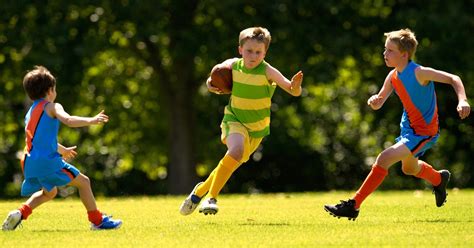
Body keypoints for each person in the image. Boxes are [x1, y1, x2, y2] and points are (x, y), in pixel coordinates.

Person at [324, 28, 471, 220]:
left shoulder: (420, 72)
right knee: (408, 169)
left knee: (384, 158)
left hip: (424, 132)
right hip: (408, 130)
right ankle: (438, 179)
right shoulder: (393, 76)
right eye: (385, 50)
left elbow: (454, 78)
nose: (385, 54)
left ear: (404, 54)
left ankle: (354, 205)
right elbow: (380, 99)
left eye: (390, 51)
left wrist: (463, 100)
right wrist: (376, 100)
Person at [179, 27, 304, 215]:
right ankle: (211, 199)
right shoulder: (233, 65)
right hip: (234, 119)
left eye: (258, 52)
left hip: (257, 130)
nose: (253, 56)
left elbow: (292, 90)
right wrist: (210, 85)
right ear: (240, 50)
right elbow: (213, 78)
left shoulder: (268, 71)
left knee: (231, 163)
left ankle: (198, 192)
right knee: (235, 151)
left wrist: (296, 86)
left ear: (265, 52)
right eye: (249, 51)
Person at [2, 66, 122, 230]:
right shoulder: (52, 106)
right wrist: (91, 120)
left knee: (49, 193)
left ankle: (19, 213)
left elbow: (39, 140)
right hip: (46, 162)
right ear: (50, 90)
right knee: (84, 182)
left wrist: (62, 149)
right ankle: (98, 221)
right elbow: (69, 120)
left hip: (29, 162)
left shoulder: (30, 113)